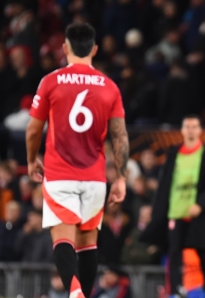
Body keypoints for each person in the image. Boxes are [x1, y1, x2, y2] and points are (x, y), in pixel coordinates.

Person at [26, 23, 129, 298]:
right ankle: (83, 293)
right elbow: (120, 137)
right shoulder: (109, 87)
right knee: (87, 243)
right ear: (94, 50)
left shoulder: (50, 81)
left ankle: (74, 292)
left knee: (62, 239)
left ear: (65, 48)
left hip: (60, 174)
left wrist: (31, 160)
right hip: (95, 177)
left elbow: (34, 129)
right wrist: (120, 178)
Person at [141, 115, 205, 298]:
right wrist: (159, 209)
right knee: (174, 252)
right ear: (183, 130)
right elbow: (164, 183)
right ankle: (176, 290)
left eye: (194, 126)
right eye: (187, 126)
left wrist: (200, 204)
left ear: (200, 130)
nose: (191, 130)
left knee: (202, 252)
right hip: (176, 211)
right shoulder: (173, 152)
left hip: (199, 213)